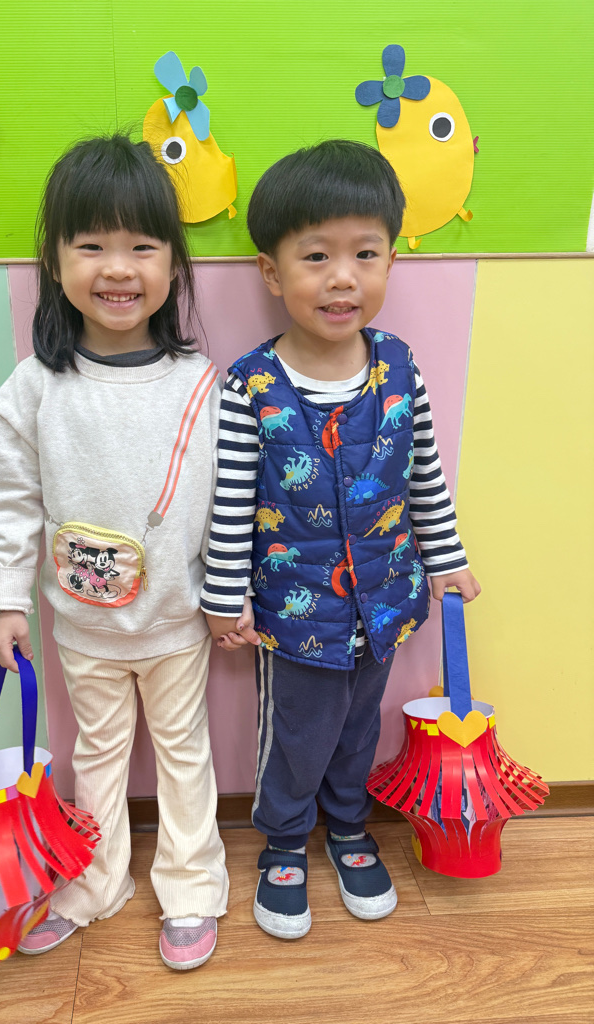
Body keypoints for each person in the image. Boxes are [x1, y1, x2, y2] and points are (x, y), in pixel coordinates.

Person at [200, 139, 480, 940]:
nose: (342, 278)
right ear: (271, 271)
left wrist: (448, 561)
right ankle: (284, 842)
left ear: (393, 260)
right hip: (294, 613)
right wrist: (223, 596)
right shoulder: (251, 385)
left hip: (386, 599)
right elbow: (229, 503)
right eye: (316, 256)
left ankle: (350, 827)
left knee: (361, 726)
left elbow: (425, 477)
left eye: (365, 254)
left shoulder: (400, 368)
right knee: (298, 733)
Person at [0, 135, 228, 970]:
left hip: (180, 624)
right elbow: (9, 497)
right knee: (97, 756)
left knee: (186, 756)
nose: (117, 268)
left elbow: (234, 502)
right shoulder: (33, 388)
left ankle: (192, 887)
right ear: (55, 262)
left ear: (173, 263)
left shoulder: (201, 384)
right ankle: (93, 882)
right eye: (91, 245)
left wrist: (231, 593)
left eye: (141, 246)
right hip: (82, 628)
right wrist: (7, 597)